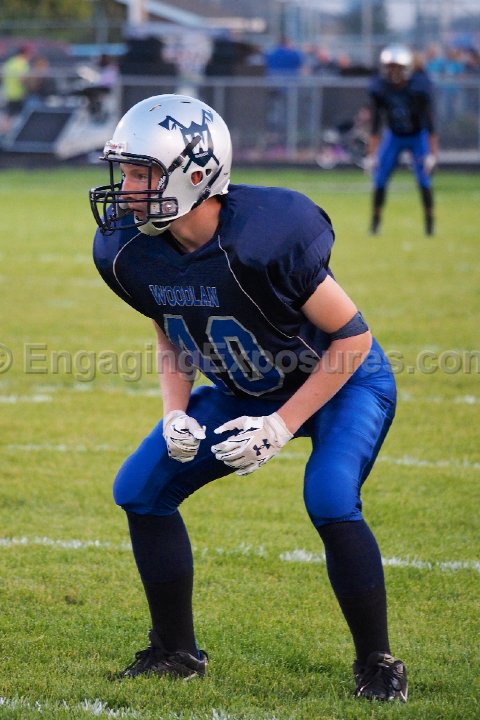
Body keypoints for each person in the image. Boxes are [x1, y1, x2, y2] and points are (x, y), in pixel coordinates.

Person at [90, 94, 408, 702]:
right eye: (124, 172)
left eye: (140, 174)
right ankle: (176, 651)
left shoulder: (267, 234)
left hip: (342, 381)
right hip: (244, 386)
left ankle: (378, 663)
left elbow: (353, 338)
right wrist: (174, 411)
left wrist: (281, 426)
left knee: (330, 497)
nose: (125, 190)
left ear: (196, 174)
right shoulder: (128, 249)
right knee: (139, 490)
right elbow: (170, 328)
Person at [365, 45, 438, 236]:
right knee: (380, 177)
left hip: (417, 135)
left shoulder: (419, 88)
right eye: (390, 67)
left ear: (407, 68)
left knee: (424, 179)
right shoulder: (381, 89)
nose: (393, 72)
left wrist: (432, 154)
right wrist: (372, 155)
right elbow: (376, 123)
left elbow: (430, 122)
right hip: (394, 135)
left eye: (397, 67)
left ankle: (430, 224)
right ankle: (375, 224)